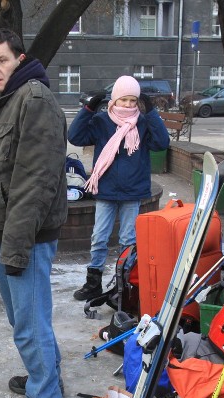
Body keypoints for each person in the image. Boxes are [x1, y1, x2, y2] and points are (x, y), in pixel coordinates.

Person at [0, 29, 68, 398]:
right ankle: (47, 375)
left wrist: (14, 246)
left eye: (2, 60)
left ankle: (45, 397)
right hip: (4, 230)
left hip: (25, 234)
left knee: (29, 323)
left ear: (19, 59)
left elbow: (35, 181)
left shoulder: (34, 98)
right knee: (24, 320)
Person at [68, 75, 170, 301]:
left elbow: (162, 143)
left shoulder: (143, 123)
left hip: (132, 192)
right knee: (99, 238)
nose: (128, 105)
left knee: (128, 239)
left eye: (133, 101)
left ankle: (124, 284)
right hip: (106, 189)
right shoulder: (102, 121)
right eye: (124, 100)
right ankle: (93, 283)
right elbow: (75, 136)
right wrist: (88, 110)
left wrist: (151, 112)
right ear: (114, 100)